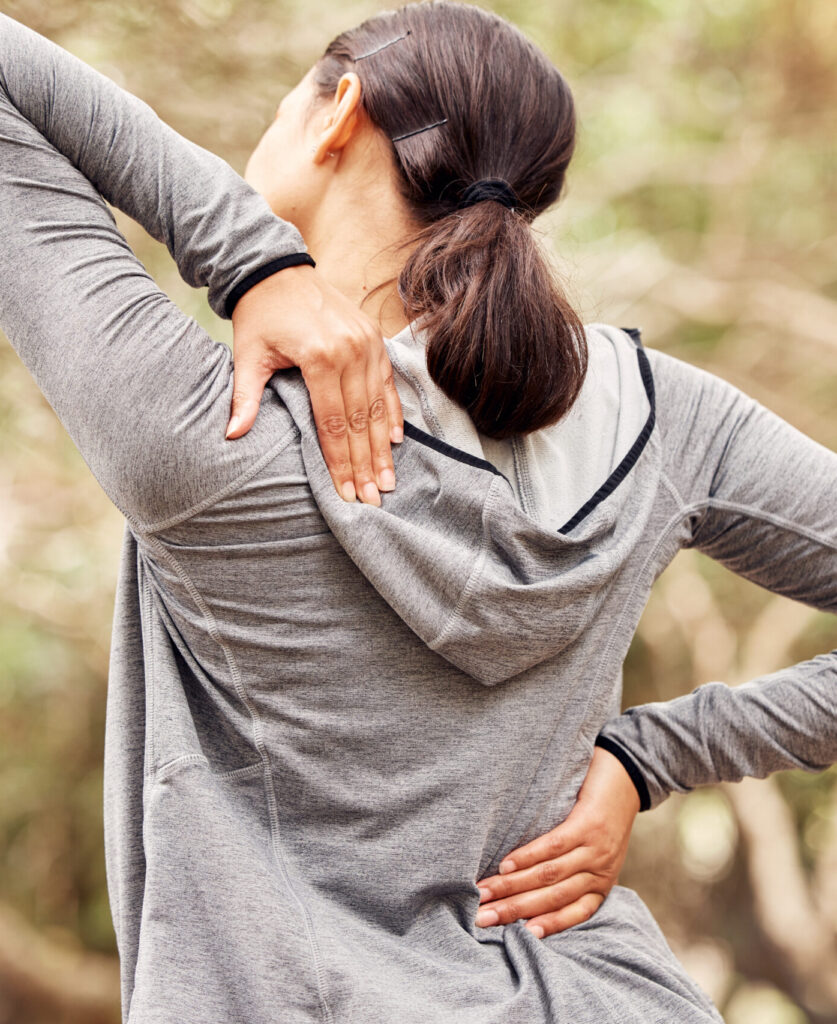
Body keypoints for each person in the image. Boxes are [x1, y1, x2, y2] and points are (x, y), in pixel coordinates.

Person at [0, 3, 834, 1022]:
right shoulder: (669, 424)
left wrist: (244, 255)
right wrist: (653, 754)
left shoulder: (205, 431)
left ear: (337, 108)